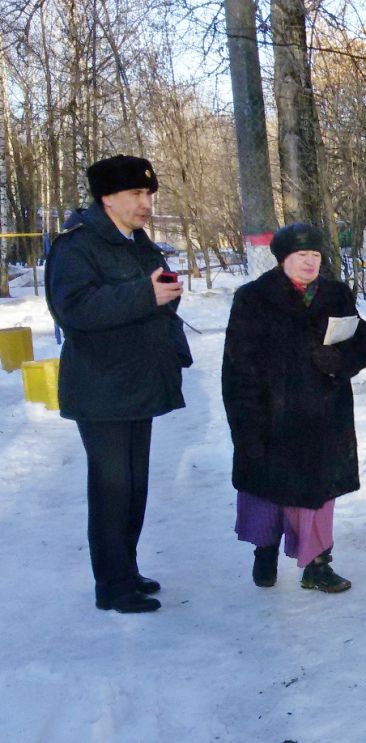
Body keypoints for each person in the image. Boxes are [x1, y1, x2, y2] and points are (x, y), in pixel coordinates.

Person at [45, 154, 192, 614]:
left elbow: (146, 296)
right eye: (136, 193)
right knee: (112, 488)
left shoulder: (137, 241)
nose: (145, 202)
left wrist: (164, 295)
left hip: (137, 384)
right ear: (107, 197)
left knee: (134, 485)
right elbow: (75, 310)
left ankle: (125, 570)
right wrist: (144, 294)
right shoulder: (78, 246)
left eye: (149, 194)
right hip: (101, 387)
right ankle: (111, 585)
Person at [222, 223, 366, 592]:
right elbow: (237, 369)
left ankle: (317, 566)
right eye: (300, 256)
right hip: (271, 414)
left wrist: (338, 359)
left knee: (318, 496)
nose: (310, 263)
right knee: (268, 492)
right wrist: (245, 427)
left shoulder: (336, 294)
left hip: (324, 416)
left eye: (315, 256)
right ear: (282, 259)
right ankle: (265, 550)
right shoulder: (252, 299)